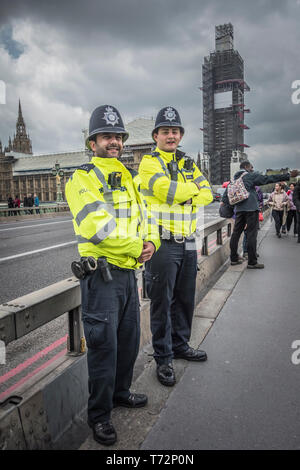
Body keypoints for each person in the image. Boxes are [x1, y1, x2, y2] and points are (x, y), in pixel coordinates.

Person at [65, 105, 160, 446]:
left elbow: (145, 216)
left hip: (126, 277)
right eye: (106, 137)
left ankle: (120, 392)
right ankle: (99, 415)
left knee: (129, 341)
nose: (114, 142)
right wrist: (138, 247)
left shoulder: (130, 178)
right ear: (93, 143)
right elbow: (97, 229)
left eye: (118, 137)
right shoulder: (81, 179)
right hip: (100, 279)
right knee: (104, 347)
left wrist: (152, 240)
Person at [139, 106, 213, 388]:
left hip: (189, 242)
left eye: (175, 131)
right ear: (156, 135)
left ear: (181, 135)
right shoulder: (149, 163)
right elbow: (165, 191)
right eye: (165, 131)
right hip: (162, 243)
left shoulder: (187, 163)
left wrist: (187, 194)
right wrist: (188, 192)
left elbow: (207, 193)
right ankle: (163, 358)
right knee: (162, 304)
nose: (171, 136)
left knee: (184, 299)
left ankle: (181, 345)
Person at [222, 161, 298, 268]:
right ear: (246, 167)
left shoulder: (233, 180)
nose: (252, 169)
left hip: (239, 210)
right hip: (251, 209)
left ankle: (234, 258)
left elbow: (225, 198)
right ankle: (252, 262)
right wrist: (288, 175)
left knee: (236, 233)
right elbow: (267, 179)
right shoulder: (249, 176)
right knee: (251, 234)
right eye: (251, 167)